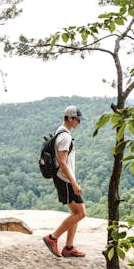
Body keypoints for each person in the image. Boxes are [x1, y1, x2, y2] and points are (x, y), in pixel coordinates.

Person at [43, 106, 86, 257]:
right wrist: (73, 182)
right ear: (69, 118)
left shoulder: (60, 132)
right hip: (65, 179)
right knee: (81, 213)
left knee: (74, 212)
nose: (78, 122)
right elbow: (62, 162)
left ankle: (68, 248)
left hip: (63, 178)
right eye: (77, 119)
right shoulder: (65, 137)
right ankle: (52, 238)